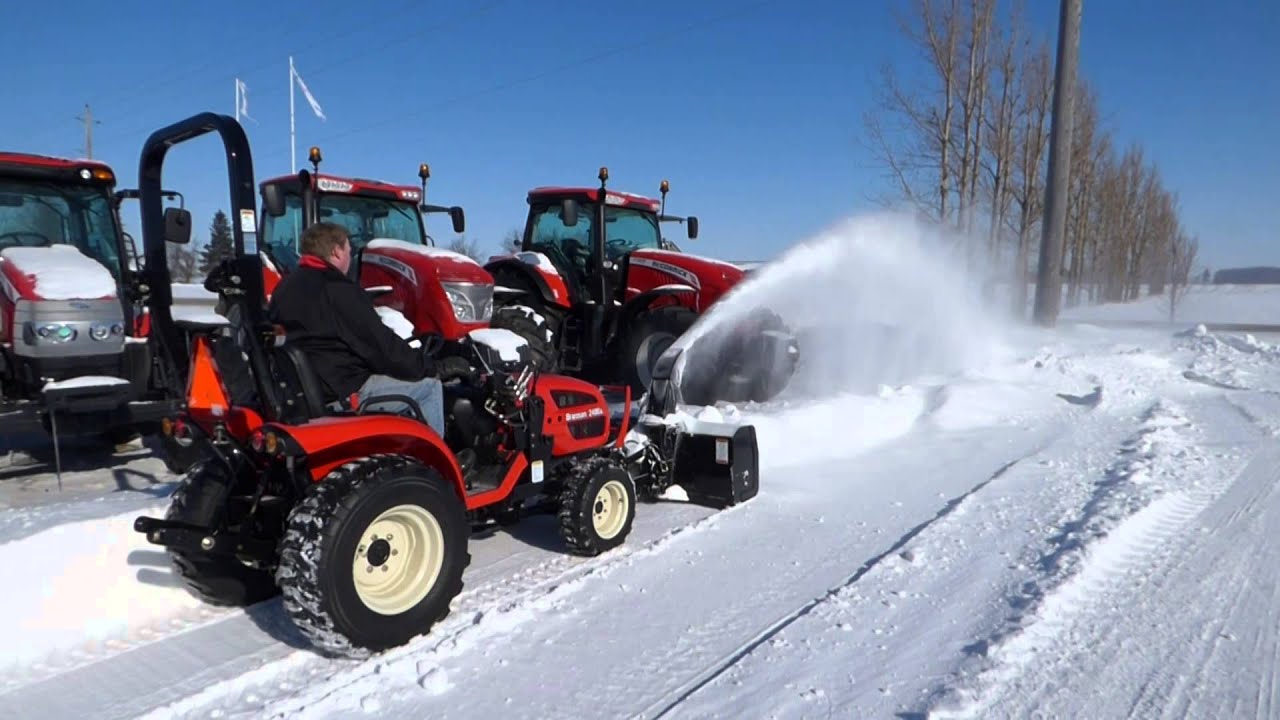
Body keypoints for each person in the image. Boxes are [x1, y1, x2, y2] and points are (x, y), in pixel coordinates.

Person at [267, 221, 450, 437]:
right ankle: (437, 465)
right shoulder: (338, 290)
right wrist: (429, 367)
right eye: (348, 250)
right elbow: (380, 346)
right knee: (429, 387)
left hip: (309, 388)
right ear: (336, 251)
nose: (350, 257)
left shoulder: (284, 288)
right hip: (343, 389)